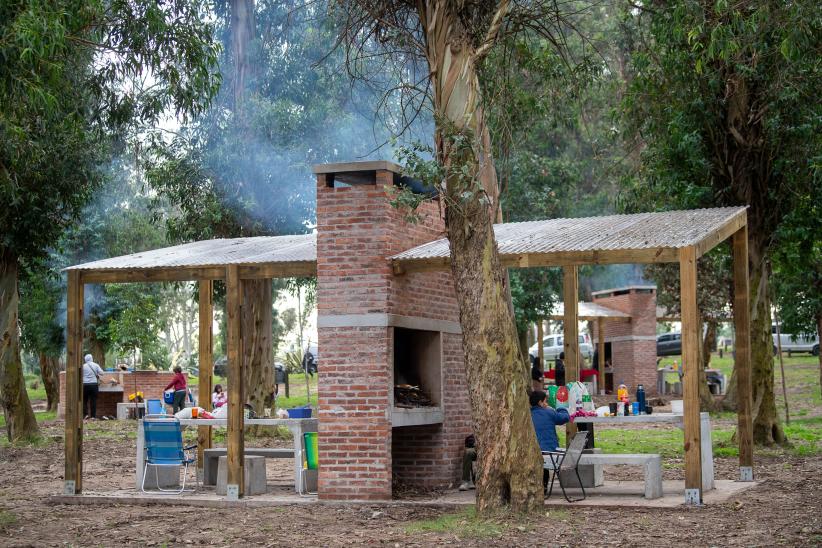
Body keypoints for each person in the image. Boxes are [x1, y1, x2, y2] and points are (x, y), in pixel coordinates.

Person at [530, 390, 570, 493]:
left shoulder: (528, 414)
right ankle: (544, 486)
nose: (546, 404)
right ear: (540, 402)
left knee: (541, 460)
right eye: (545, 401)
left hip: (531, 451)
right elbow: (564, 418)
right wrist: (561, 408)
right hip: (550, 452)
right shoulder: (549, 412)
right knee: (545, 463)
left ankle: (541, 486)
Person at [82, 354, 104, 420]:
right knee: (93, 401)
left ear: (85, 359)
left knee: (84, 401)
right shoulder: (96, 365)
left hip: (85, 385)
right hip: (94, 385)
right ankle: (93, 416)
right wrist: (96, 374)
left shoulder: (83, 366)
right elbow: (102, 373)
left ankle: (85, 415)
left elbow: (80, 374)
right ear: (92, 358)